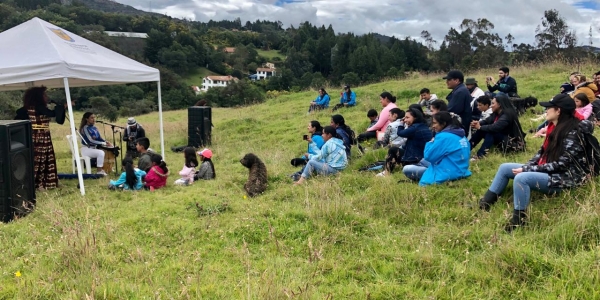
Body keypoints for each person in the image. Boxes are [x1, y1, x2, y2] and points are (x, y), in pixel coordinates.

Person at [478, 94, 594, 232]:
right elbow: (541, 153)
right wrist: (528, 166)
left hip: (566, 177)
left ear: (558, 111)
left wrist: (528, 170)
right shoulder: (555, 127)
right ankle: (485, 204)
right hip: (551, 171)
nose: (546, 111)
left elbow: (563, 164)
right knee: (504, 168)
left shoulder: (573, 132)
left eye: (548, 108)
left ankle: (519, 220)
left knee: (522, 178)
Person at [402, 112, 471, 185]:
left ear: (443, 123)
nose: (432, 126)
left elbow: (428, 156)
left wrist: (431, 142)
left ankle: (429, 171)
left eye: (435, 123)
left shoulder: (443, 137)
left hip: (448, 172)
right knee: (422, 161)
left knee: (407, 169)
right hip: (460, 168)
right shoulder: (460, 135)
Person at [21, 86, 65, 190]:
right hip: (40, 136)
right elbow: (52, 114)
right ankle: (38, 183)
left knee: (41, 159)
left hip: (38, 135)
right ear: (39, 96)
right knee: (41, 160)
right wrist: (62, 107)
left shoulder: (30, 107)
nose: (46, 97)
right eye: (44, 95)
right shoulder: (39, 107)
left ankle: (40, 182)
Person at [377, 108, 432, 176]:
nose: (405, 120)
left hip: (415, 159)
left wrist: (401, 124)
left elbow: (400, 133)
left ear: (415, 117)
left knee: (393, 150)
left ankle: (387, 172)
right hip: (422, 158)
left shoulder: (414, 128)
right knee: (399, 149)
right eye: (404, 118)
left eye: (407, 117)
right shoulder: (424, 126)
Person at [469, 94, 526, 159]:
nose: (490, 106)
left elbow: (495, 127)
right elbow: (487, 121)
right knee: (481, 131)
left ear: (499, 104)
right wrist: (478, 123)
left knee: (491, 133)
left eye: (493, 103)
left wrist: (480, 127)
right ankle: (465, 150)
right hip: (503, 138)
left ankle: (480, 156)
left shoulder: (507, 115)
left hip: (513, 142)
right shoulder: (497, 112)